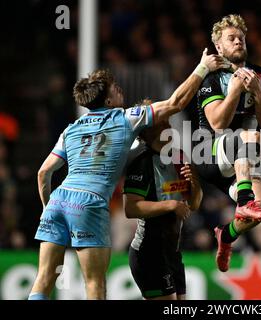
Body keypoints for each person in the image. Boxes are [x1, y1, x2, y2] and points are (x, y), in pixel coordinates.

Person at [28, 49, 229, 300]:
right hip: (89, 203)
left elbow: (43, 172)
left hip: (58, 201)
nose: (120, 89)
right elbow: (175, 103)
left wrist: (49, 208)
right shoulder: (125, 118)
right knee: (95, 284)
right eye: (114, 88)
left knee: (44, 278)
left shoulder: (71, 129)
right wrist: (202, 68)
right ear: (108, 101)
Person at [194, 14, 261, 272]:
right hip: (208, 153)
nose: (238, 41)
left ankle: (226, 235)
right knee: (247, 135)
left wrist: (258, 92)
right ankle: (243, 201)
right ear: (219, 47)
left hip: (240, 160)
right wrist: (234, 92)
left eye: (241, 37)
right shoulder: (210, 78)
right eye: (231, 38)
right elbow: (218, 123)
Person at [123, 114, 202, 300]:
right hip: (149, 253)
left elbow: (194, 204)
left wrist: (194, 183)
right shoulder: (141, 163)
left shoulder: (179, 157)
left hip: (172, 253)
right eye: (162, 123)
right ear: (149, 131)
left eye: (168, 121)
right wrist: (171, 205)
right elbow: (131, 209)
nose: (169, 125)